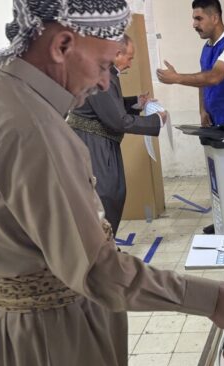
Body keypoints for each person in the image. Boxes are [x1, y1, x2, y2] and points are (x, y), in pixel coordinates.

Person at [0, 1, 224, 366]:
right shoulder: (35, 130)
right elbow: (99, 272)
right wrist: (212, 299)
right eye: (104, 65)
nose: (103, 82)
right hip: (47, 342)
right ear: (62, 45)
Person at [68, 33, 167, 235]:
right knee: (106, 195)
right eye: (129, 58)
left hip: (97, 141)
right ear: (116, 53)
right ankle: (102, 245)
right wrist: (156, 120)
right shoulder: (99, 76)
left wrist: (135, 102)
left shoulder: (104, 71)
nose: (130, 63)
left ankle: (105, 243)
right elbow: (118, 120)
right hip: (94, 144)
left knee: (112, 193)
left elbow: (108, 106)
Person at [156, 0, 224, 127]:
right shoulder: (207, 47)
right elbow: (202, 80)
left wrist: (176, 78)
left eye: (199, 19)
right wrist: (202, 109)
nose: (194, 24)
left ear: (215, 18)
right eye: (194, 19)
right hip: (216, 122)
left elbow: (213, 77)